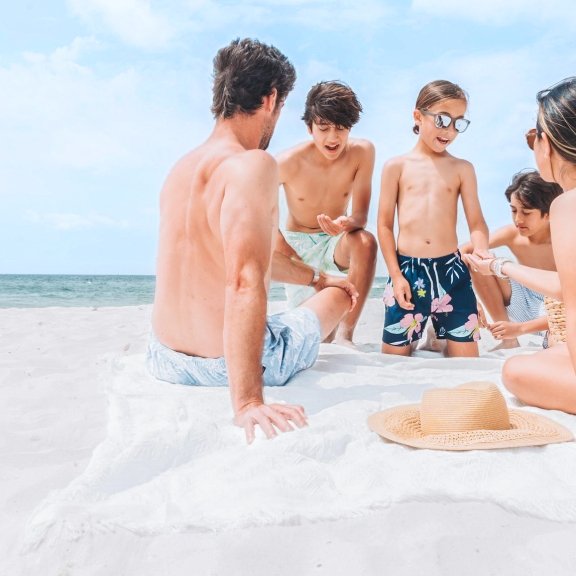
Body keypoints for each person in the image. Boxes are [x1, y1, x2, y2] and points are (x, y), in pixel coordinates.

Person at [147, 38, 358, 444]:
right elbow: (245, 279)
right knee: (340, 295)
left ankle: (319, 287)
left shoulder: (181, 169)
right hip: (226, 368)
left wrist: (315, 278)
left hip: (165, 357)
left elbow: (234, 256)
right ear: (270, 99)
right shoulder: (252, 165)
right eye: (280, 109)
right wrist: (247, 402)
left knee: (324, 287)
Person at [467, 77, 576, 414]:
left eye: (535, 135)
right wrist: (499, 266)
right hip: (536, 305)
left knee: (515, 371)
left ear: (549, 143)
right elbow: (564, 285)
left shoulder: (566, 206)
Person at [378, 79, 490, 357]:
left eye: (458, 123)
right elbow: (383, 225)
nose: (450, 130)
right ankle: (426, 334)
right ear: (418, 116)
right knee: (394, 358)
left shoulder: (462, 168)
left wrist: (483, 251)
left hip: (452, 272)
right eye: (442, 120)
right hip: (408, 271)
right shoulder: (396, 167)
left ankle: (437, 334)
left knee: (466, 360)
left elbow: (476, 222)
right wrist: (395, 276)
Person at [275, 81, 377, 344]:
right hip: (298, 246)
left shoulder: (362, 152)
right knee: (318, 337)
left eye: (341, 129)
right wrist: (289, 256)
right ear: (310, 127)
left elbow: (361, 216)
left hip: (335, 241)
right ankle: (331, 334)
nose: (333, 138)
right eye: (324, 128)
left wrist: (346, 223)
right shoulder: (286, 162)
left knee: (365, 241)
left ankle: (347, 334)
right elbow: (262, 218)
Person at [461, 170, 562, 348]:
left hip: (555, 307)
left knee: (559, 339)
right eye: (514, 210)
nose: (518, 219)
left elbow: (569, 300)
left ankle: (517, 333)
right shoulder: (513, 234)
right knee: (480, 257)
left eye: (527, 212)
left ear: (548, 214)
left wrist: (520, 328)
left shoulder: (564, 239)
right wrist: (468, 298)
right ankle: (507, 339)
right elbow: (463, 250)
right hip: (522, 297)